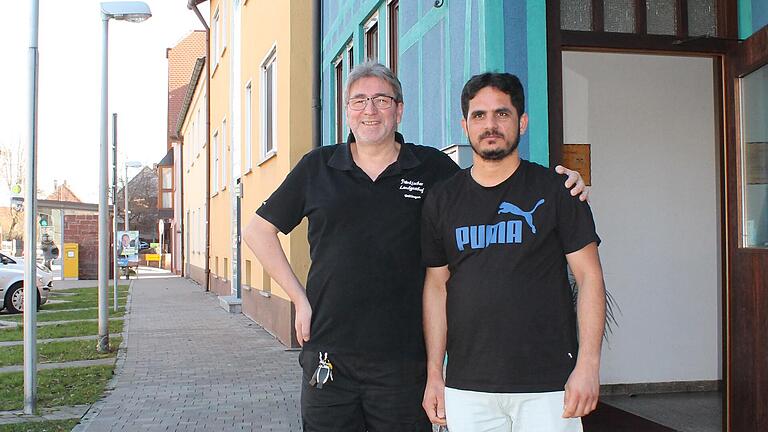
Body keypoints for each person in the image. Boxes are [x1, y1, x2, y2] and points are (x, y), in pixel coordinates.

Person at [244, 62, 588, 432]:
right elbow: (257, 232)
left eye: (381, 99)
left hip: (405, 363)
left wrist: (565, 182)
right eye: (358, 101)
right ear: (346, 112)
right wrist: (298, 298)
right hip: (330, 356)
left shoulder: (432, 168)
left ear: (400, 109)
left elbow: (487, 187)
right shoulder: (317, 167)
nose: (369, 110)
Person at [421, 72, 606, 432]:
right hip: (467, 385)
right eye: (479, 115)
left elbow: (590, 277)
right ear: (465, 126)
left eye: (502, 114)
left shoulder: (557, 191)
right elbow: (436, 286)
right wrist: (434, 374)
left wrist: (588, 366)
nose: (490, 125)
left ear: (521, 122)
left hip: (549, 385)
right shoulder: (441, 200)